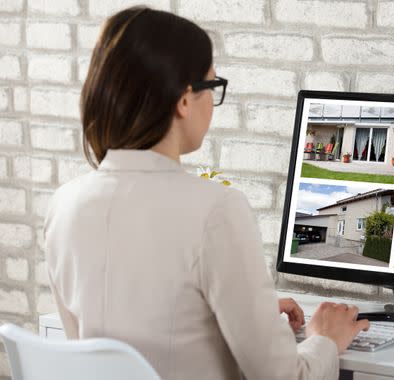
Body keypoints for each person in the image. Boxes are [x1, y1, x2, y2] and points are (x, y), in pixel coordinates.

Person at [44, 6, 369, 380]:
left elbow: (104, 356)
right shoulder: (216, 209)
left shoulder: (64, 204)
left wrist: (245, 315)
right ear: (184, 100)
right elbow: (283, 377)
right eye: (212, 87)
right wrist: (325, 339)